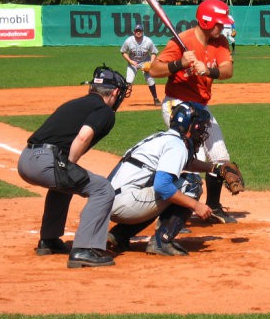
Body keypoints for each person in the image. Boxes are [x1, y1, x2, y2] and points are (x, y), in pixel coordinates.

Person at [17, 65, 131, 268]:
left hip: (26, 159)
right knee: (102, 189)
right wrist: (67, 164)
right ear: (115, 92)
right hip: (45, 161)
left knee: (66, 182)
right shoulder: (104, 111)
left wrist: (66, 167)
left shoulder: (75, 103)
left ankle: (49, 240)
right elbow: (84, 136)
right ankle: (84, 250)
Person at [149, 0, 238, 224]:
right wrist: (179, 63)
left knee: (220, 157)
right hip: (177, 105)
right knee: (191, 159)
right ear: (207, 22)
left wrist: (207, 70)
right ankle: (171, 216)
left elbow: (227, 70)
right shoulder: (181, 41)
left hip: (201, 108)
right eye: (219, 23)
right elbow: (156, 69)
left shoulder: (220, 43)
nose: (222, 27)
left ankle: (214, 206)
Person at [107, 102, 216, 256]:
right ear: (190, 126)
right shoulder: (177, 145)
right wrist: (196, 205)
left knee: (161, 188)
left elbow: (187, 163)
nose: (202, 131)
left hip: (108, 201)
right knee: (191, 183)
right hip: (126, 204)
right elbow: (162, 186)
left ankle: (119, 235)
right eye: (199, 126)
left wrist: (214, 168)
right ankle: (161, 242)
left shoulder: (162, 138)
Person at [120, 23, 161, 106]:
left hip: (145, 63)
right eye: (137, 31)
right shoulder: (129, 41)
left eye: (140, 31)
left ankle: (156, 99)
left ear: (143, 31)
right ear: (133, 32)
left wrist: (151, 62)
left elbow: (154, 52)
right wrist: (130, 61)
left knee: (150, 80)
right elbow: (123, 52)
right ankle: (119, 99)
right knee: (129, 81)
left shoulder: (148, 41)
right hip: (133, 63)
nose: (138, 32)